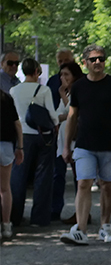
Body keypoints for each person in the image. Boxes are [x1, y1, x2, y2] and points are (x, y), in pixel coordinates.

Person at [61, 45, 111, 245]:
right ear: (85, 63)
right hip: (84, 144)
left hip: (110, 144)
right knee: (83, 183)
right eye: (93, 59)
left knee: (107, 185)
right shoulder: (80, 86)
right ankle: (81, 230)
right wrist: (66, 146)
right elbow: (73, 117)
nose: (98, 62)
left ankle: (105, 226)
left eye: (101, 58)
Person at [9, 58, 59, 227]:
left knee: (18, 176)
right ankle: (40, 218)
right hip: (43, 136)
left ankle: (14, 216)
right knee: (43, 177)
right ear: (37, 71)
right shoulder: (44, 90)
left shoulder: (14, 91)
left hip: (22, 136)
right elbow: (52, 115)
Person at [52, 61, 85, 222]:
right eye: (61, 75)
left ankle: (82, 212)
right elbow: (57, 115)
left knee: (79, 176)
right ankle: (57, 210)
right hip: (63, 139)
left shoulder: (78, 92)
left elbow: (74, 113)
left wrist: (63, 97)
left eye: (66, 74)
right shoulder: (65, 93)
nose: (63, 78)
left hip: (75, 139)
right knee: (59, 175)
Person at [1, 89, 24, 241]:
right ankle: (7, 224)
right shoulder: (6, 98)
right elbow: (17, 124)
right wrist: (20, 147)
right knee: (4, 188)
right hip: (6, 146)